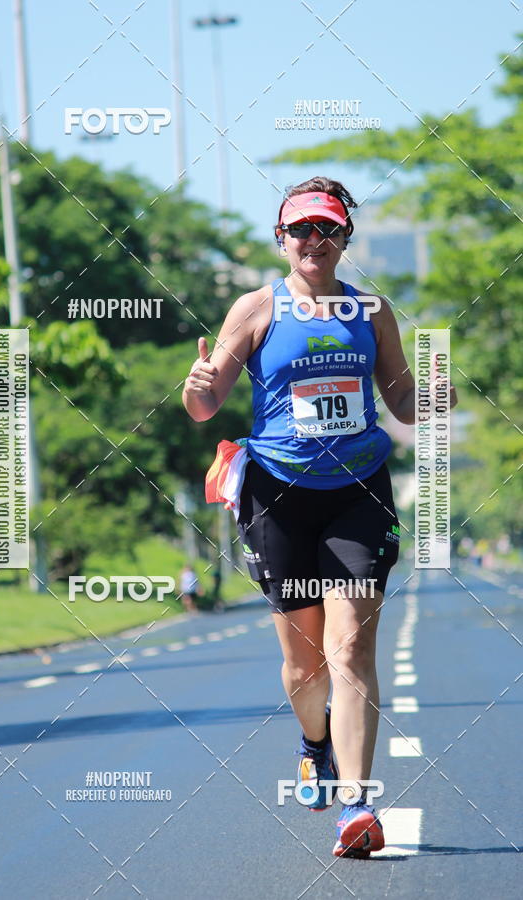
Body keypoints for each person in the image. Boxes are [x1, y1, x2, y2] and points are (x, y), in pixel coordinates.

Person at [183, 176, 458, 858]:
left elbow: (399, 400)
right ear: (282, 240)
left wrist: (432, 400)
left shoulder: (371, 310)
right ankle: (314, 744)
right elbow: (206, 404)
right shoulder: (254, 309)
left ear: (344, 239)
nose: (315, 240)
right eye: (301, 229)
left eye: (327, 229)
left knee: (350, 650)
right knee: (305, 668)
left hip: (357, 494)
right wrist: (197, 388)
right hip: (277, 496)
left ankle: (357, 808)